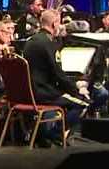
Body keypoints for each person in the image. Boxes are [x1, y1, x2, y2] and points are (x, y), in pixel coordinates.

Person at [23, 9, 89, 146]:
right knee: (83, 104)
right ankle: (55, 134)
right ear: (54, 24)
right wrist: (76, 89)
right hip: (44, 93)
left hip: (29, 92)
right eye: (59, 23)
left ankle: (45, 135)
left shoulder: (30, 41)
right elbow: (58, 74)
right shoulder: (48, 43)